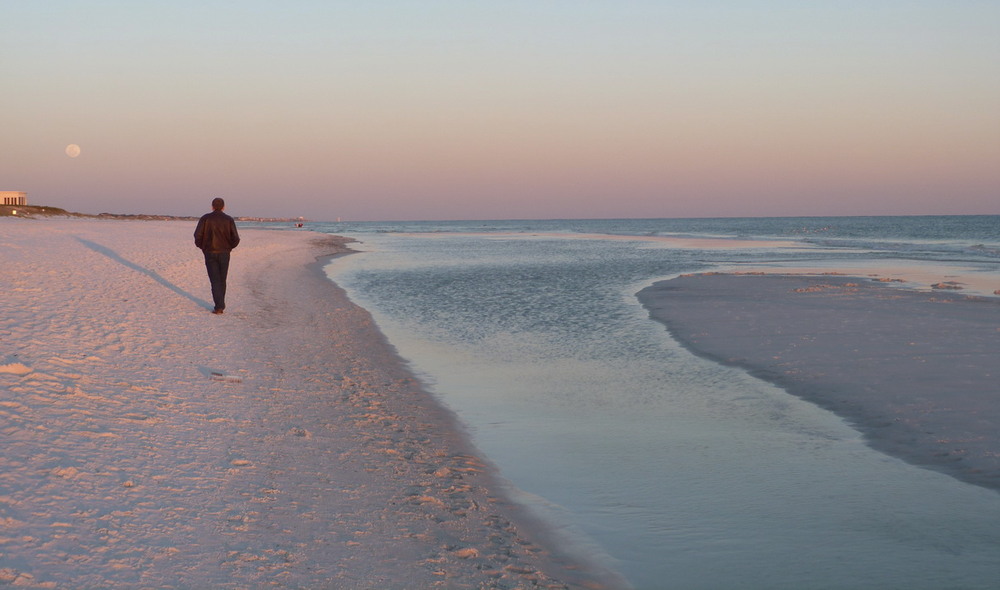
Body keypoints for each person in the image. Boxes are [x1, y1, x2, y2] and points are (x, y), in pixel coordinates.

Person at [194, 197, 240, 314]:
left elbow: (197, 236)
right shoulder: (228, 219)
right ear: (223, 207)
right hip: (223, 253)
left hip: (210, 253)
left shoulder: (205, 218)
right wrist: (228, 248)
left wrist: (204, 248)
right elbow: (236, 238)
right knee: (222, 279)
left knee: (215, 280)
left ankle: (219, 306)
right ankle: (220, 305)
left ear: (212, 206)